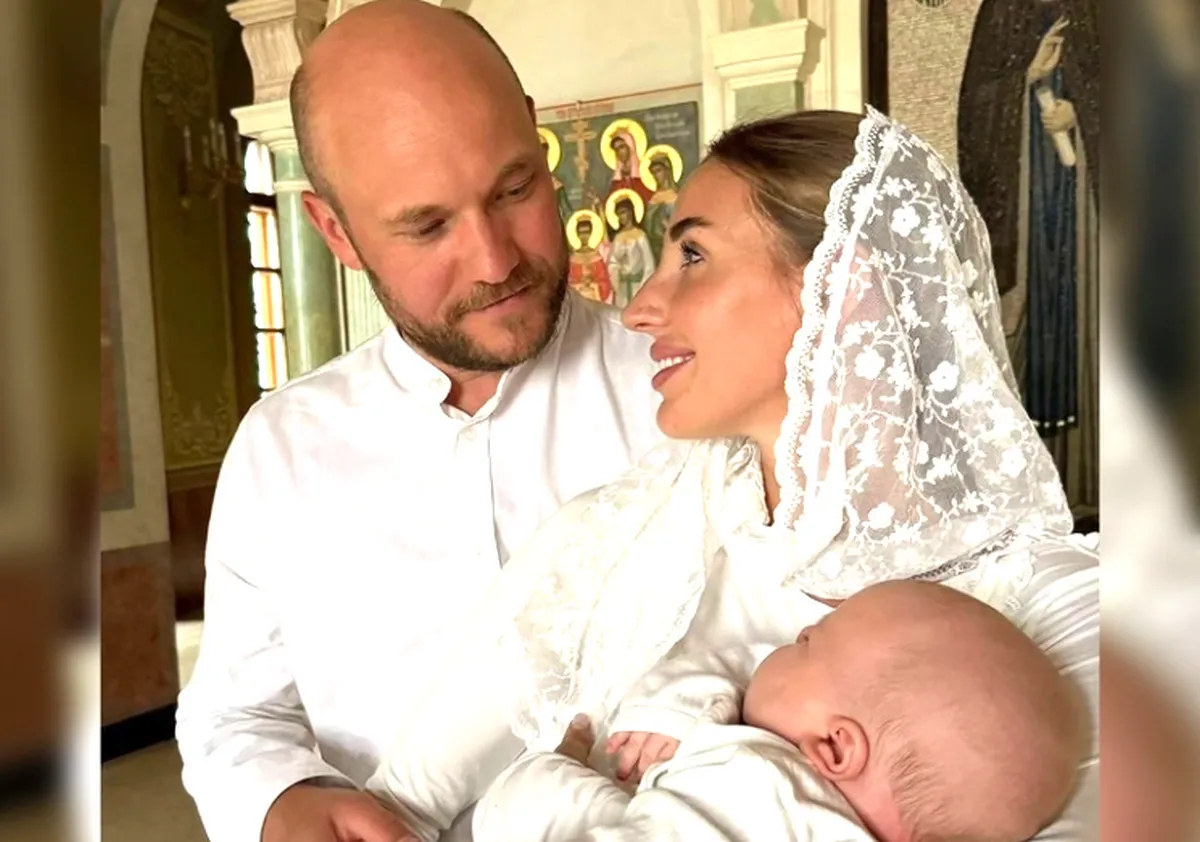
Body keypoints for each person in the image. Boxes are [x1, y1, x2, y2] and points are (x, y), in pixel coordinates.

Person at [363, 108, 1099, 842]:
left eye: (693, 256)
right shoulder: (605, 539)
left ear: (845, 290)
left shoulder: (1063, 605)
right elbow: (399, 807)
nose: (638, 310)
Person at [173, 4, 664, 842]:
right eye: (428, 226)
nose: (495, 260)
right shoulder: (280, 448)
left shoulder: (685, 389)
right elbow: (235, 716)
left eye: (514, 188)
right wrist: (279, 804)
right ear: (337, 232)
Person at [472, 580, 1087, 842]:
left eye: (805, 644)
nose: (774, 649)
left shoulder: (756, 782)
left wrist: (544, 776)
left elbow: (730, 667)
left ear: (836, 748)